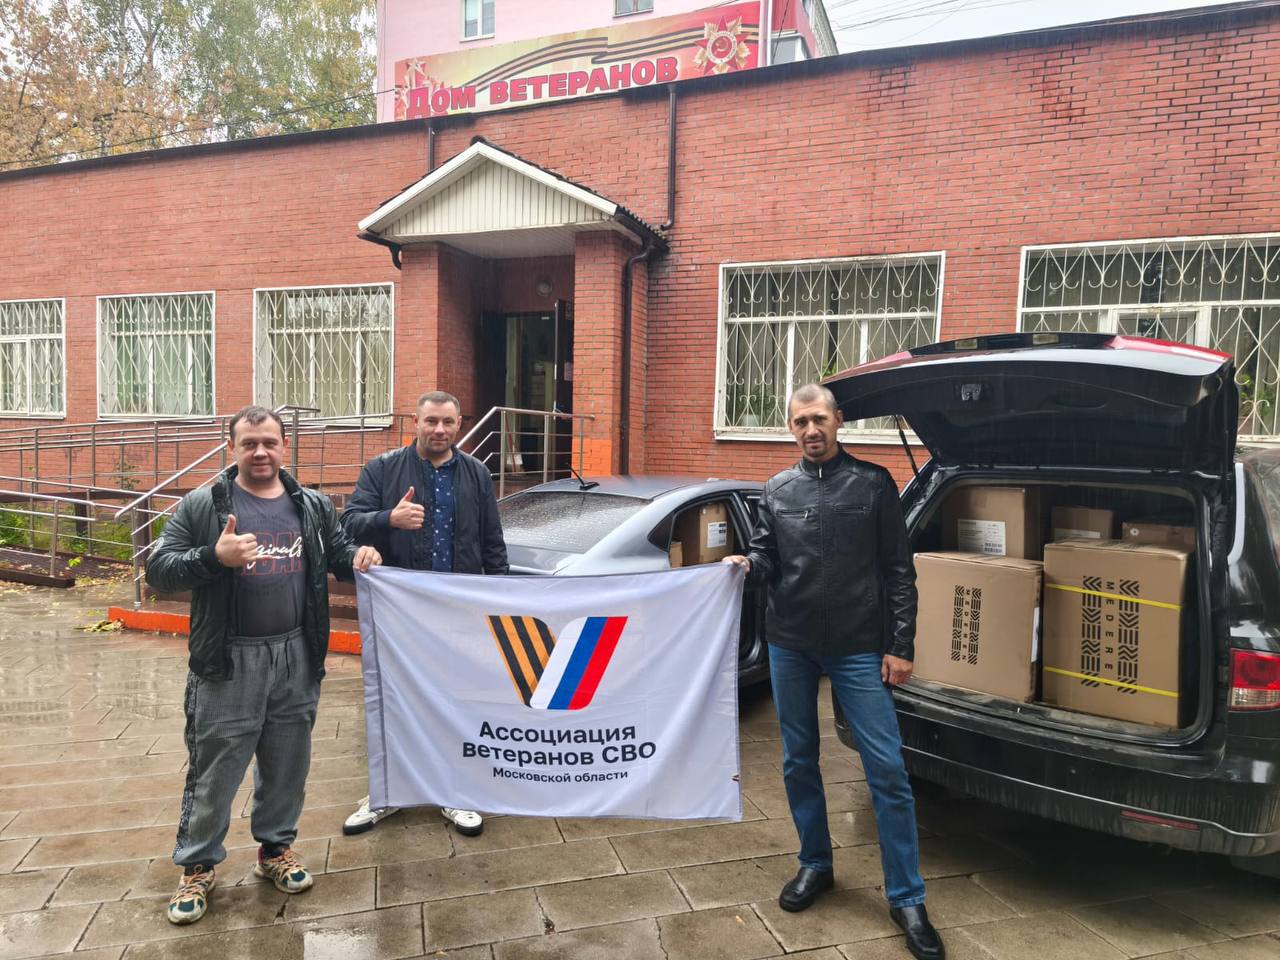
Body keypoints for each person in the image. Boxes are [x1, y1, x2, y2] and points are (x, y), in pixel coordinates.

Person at [724, 383, 943, 960]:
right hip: (790, 646)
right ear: (790, 428)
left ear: (838, 419)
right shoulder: (777, 490)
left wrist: (900, 644)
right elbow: (768, 557)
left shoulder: (872, 484)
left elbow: (898, 570)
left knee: (887, 769)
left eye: (818, 418)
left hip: (858, 648)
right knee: (799, 761)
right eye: (800, 422)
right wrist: (746, 562)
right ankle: (815, 864)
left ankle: (907, 896)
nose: (810, 430)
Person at [146, 405, 381, 925]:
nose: (259, 452)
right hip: (228, 660)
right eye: (249, 443)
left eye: (269, 442)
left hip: (297, 653)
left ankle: (275, 850)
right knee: (216, 767)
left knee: (287, 763)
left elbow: (338, 552)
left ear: (284, 446)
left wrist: (361, 555)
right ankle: (198, 866)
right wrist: (213, 557)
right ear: (232, 447)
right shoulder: (204, 504)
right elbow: (158, 569)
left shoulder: (312, 505)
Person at [340, 389, 508, 837]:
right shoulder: (382, 469)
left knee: (456, 701)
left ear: (459, 425)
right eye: (431, 421)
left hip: (459, 610)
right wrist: (387, 520)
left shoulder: (476, 473)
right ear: (415, 423)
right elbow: (348, 522)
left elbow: (492, 541)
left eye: (448, 422)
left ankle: (454, 791)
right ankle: (388, 793)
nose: (439, 430)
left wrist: (502, 597)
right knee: (393, 701)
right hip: (401, 612)